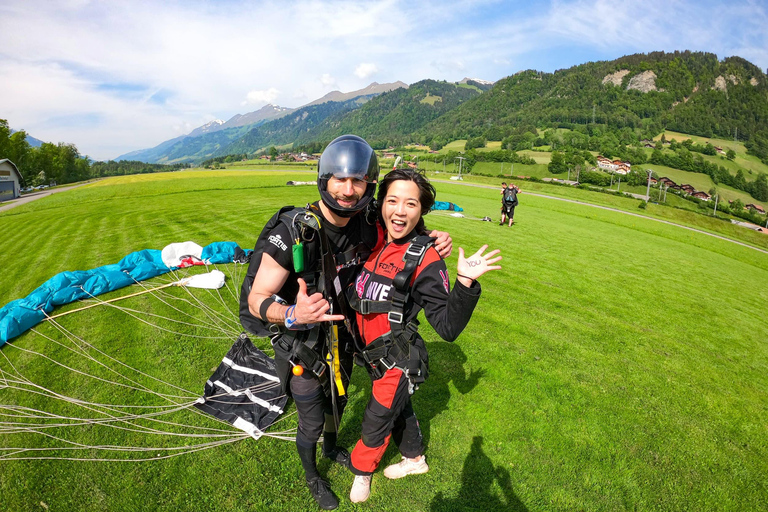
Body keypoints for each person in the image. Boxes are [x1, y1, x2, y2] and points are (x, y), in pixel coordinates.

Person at [241, 135, 452, 510]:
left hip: (344, 336)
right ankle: (312, 476)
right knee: (310, 418)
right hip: (302, 342)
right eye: (339, 179)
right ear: (324, 179)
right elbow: (257, 300)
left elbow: (404, 230)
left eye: (357, 181)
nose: (347, 190)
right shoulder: (293, 231)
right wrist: (292, 313)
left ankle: (333, 446)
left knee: (336, 402)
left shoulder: (367, 223)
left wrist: (433, 238)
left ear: (368, 185)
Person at [345, 168, 501, 503]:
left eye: (411, 203)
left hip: (396, 358)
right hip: (369, 352)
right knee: (398, 409)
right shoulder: (373, 237)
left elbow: (446, 327)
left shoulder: (426, 259)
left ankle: (362, 472)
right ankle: (415, 460)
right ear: (381, 203)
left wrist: (465, 283)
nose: (400, 210)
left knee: (376, 419)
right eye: (393, 200)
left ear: (421, 209)